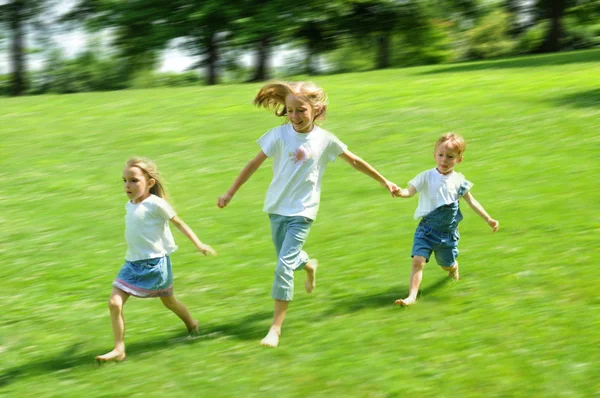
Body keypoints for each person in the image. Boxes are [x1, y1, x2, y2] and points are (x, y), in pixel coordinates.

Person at [217, 81, 400, 347]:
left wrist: (385, 181)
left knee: (282, 266)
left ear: (317, 109)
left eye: (301, 110)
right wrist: (230, 192)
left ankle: (275, 329)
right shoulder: (278, 135)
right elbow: (253, 164)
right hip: (276, 208)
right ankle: (308, 264)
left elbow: (356, 161)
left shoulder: (325, 140)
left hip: (303, 211)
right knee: (287, 257)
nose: (294, 116)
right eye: (290, 110)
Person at [96, 157, 216, 362]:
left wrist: (199, 244)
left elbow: (179, 223)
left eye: (134, 180)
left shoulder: (157, 204)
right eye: (124, 180)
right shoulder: (130, 204)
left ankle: (192, 324)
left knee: (169, 302)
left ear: (149, 183)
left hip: (155, 265)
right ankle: (119, 349)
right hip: (131, 263)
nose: (127, 185)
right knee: (114, 303)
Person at [394, 133, 499, 306]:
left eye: (450, 157)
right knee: (417, 261)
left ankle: (453, 269)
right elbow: (410, 192)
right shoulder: (425, 176)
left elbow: (472, 202)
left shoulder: (459, 181)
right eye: (441, 155)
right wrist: (400, 193)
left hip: (447, 234)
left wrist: (488, 219)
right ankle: (412, 296)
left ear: (459, 159)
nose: (444, 160)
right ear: (434, 155)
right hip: (426, 230)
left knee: (446, 264)